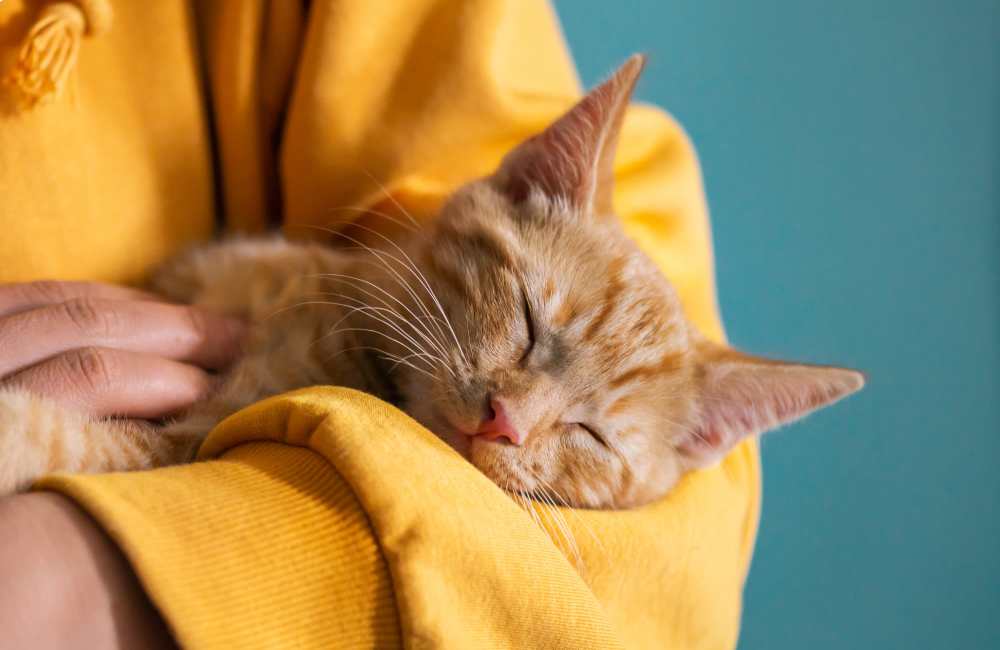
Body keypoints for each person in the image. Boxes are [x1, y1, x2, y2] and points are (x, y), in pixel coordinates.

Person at [0, 1, 760, 648]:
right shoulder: (342, 308)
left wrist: (77, 570)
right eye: (526, 326)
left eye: (591, 436)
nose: (512, 419)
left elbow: (660, 577)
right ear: (526, 181)